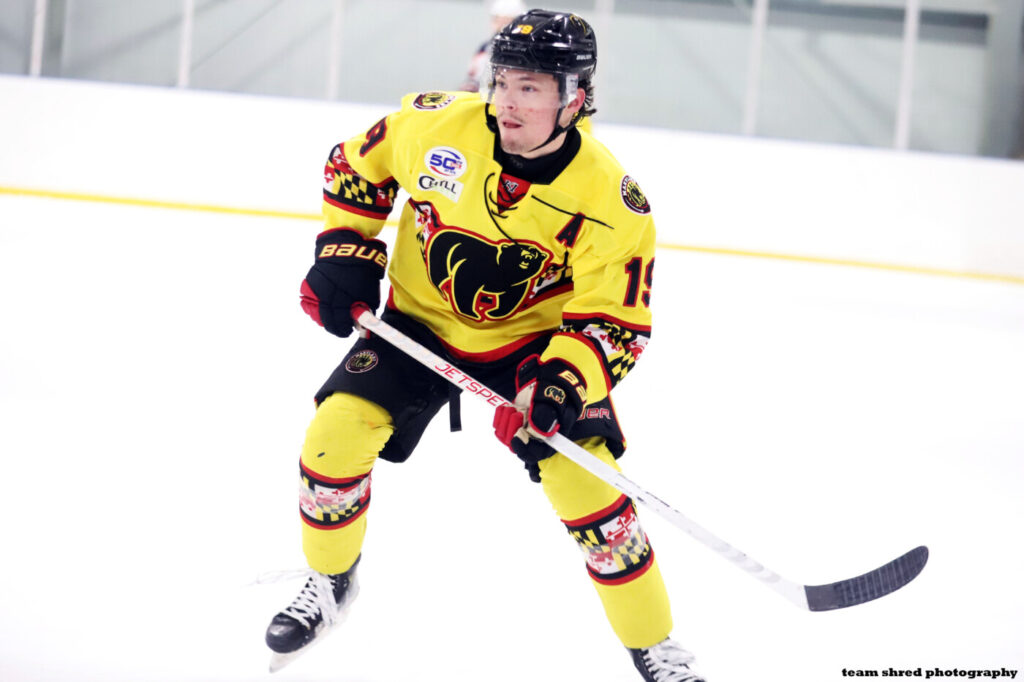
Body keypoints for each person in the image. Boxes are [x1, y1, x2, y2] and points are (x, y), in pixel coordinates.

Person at [264, 10, 706, 682]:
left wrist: (556, 387)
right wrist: (345, 250)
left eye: (530, 88)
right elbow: (355, 166)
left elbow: (614, 323)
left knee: (587, 489)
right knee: (331, 439)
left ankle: (657, 646)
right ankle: (330, 583)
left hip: (532, 349)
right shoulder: (438, 127)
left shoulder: (611, 201)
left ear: (576, 98)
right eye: (502, 82)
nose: (507, 102)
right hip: (416, 324)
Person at [460, 0, 526, 92]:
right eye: (497, 20)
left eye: (506, 21)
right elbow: (473, 75)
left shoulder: (524, 50)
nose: (501, 25)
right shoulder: (485, 47)